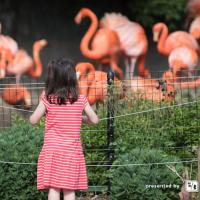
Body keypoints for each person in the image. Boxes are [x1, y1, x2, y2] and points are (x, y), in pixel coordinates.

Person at [29, 58, 99, 200]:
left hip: (52, 151)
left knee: (53, 189)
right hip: (71, 153)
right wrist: (80, 118)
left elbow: (33, 120)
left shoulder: (48, 99)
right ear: (73, 77)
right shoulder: (80, 99)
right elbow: (95, 120)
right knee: (69, 190)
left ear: (51, 79)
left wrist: (47, 114)